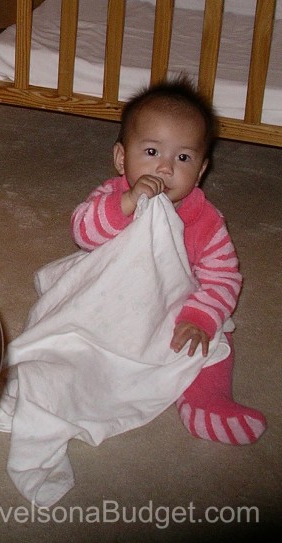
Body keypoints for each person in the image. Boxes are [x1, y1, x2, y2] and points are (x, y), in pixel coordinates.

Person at [70, 78, 264, 445]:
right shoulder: (112, 196)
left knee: (217, 341)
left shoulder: (205, 220)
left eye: (183, 158)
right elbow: (83, 232)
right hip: (108, 297)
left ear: (202, 170)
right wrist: (127, 203)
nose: (165, 168)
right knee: (71, 341)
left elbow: (223, 278)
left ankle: (206, 399)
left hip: (170, 304)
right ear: (120, 158)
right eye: (152, 152)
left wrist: (199, 319)